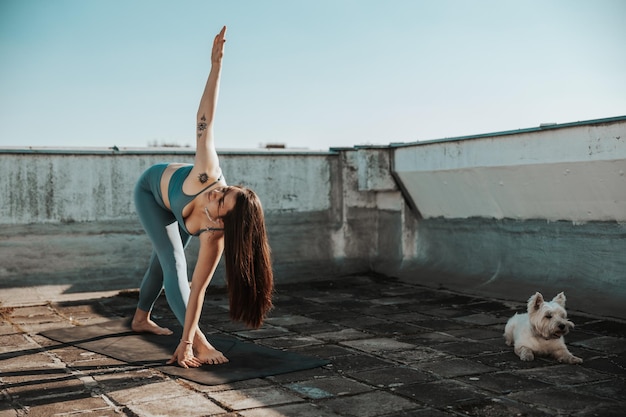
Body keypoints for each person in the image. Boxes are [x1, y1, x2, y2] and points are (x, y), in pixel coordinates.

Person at [131, 26, 274, 368]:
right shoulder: (207, 173)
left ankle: (140, 318)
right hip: (152, 192)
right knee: (173, 261)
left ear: (222, 220)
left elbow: (198, 290)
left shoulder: (215, 237)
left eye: (221, 198)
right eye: (225, 189)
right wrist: (216, 65)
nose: (217, 191)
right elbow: (205, 121)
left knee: (164, 263)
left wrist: (182, 341)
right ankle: (201, 341)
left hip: (178, 210)